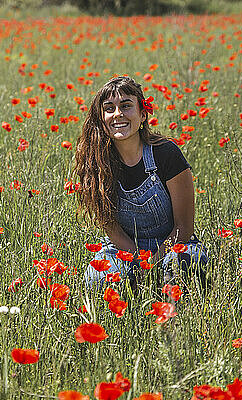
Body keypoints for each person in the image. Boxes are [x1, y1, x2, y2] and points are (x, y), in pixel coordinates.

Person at [73, 76, 208, 293]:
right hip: (124, 248)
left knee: (183, 266)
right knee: (98, 279)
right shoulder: (96, 161)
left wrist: (153, 263)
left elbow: (184, 228)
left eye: (126, 106)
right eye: (109, 108)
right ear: (101, 118)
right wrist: (138, 263)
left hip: (174, 244)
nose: (118, 114)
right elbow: (111, 228)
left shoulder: (166, 154)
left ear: (143, 114)